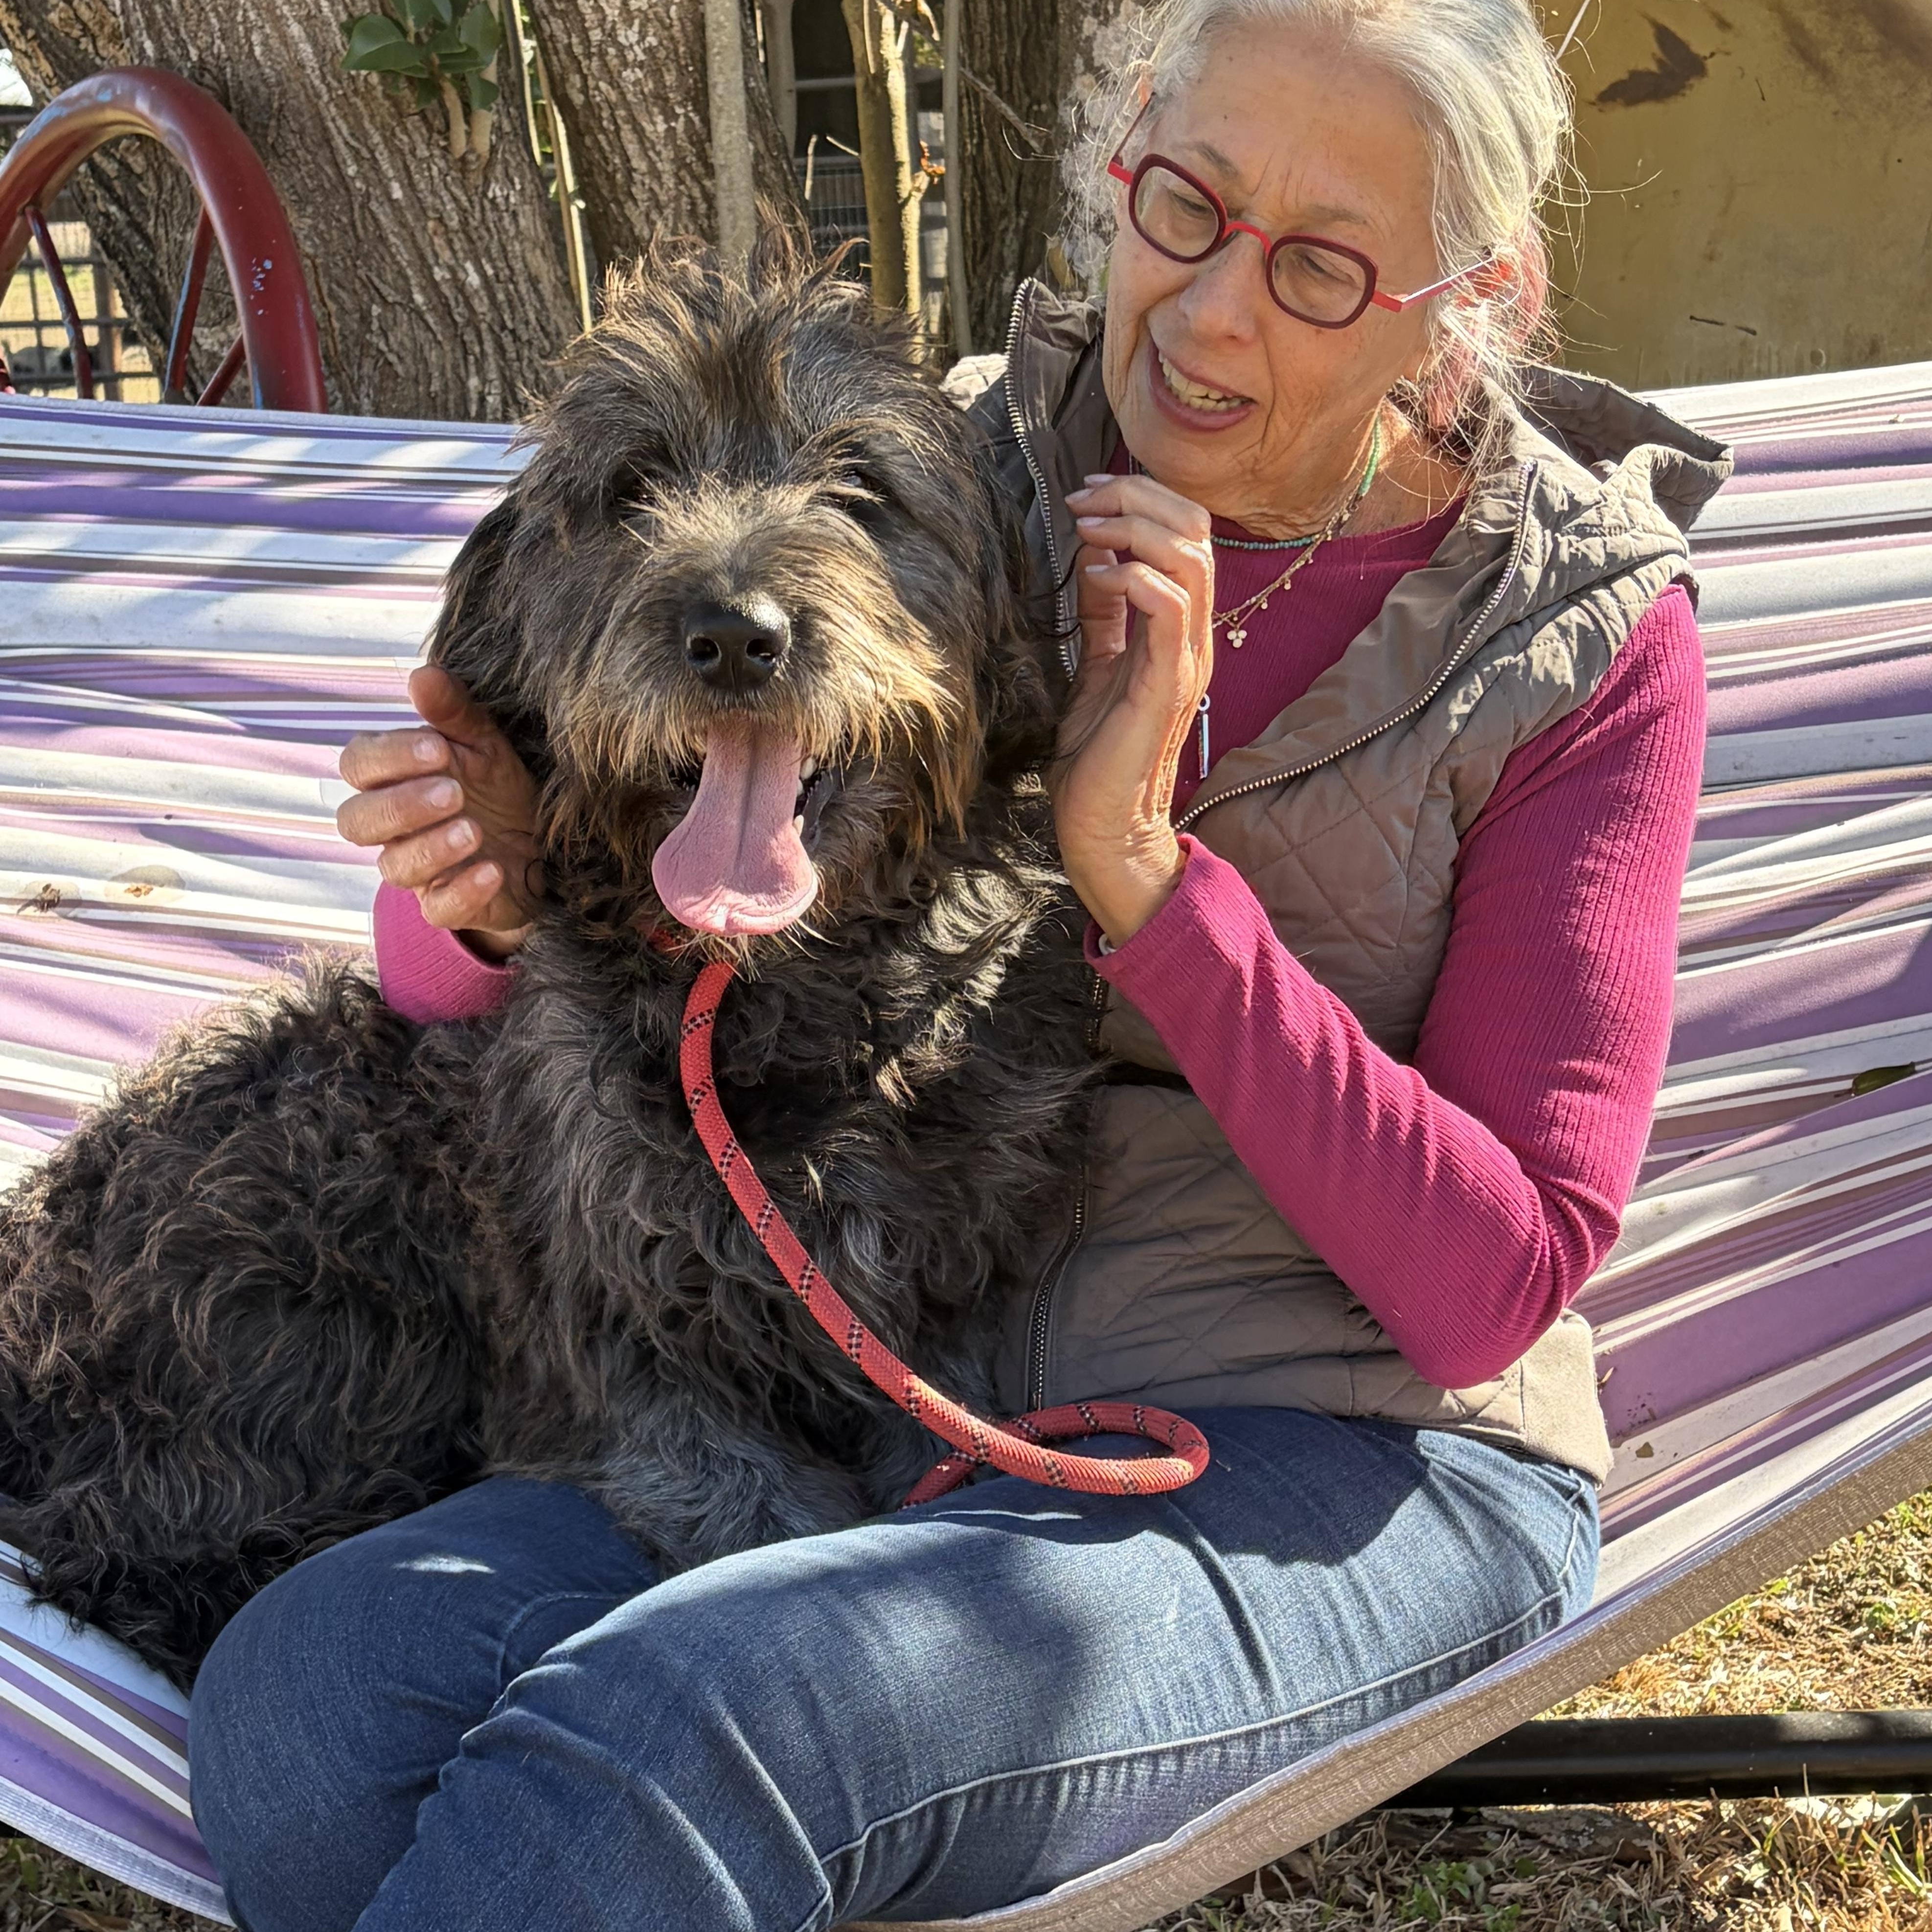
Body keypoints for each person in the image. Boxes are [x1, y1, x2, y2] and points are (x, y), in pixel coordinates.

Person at [186, 1, 1730, 1925]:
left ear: (1467, 303)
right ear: (1120, 157)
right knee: (310, 1706)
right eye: (1186, 204)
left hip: (1333, 1444)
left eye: (1322, 267)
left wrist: (1147, 883)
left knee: (693, 1732)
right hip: (873, 1385)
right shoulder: (955, 463)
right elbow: (479, 963)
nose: (1212, 314)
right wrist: (477, 888)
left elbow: (1493, 1281)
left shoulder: (1575, 636)